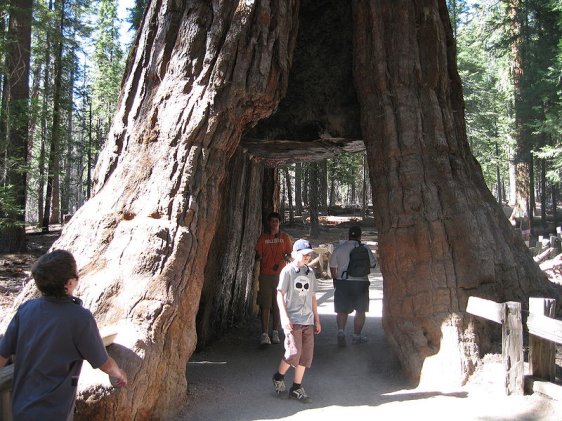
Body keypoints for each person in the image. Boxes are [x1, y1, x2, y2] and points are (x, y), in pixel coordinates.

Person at [0, 250, 128, 420]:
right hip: (54, 412)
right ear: (69, 283)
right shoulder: (80, 317)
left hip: (21, 410)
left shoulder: (26, 309)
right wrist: (119, 374)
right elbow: (104, 363)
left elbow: (2, 356)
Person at [272, 239, 321, 403]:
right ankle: (278, 377)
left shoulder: (310, 273)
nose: (307, 256)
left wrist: (317, 319)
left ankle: (296, 387)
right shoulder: (287, 272)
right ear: (295, 254)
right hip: (293, 318)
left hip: (308, 319)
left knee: (306, 356)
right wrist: (284, 316)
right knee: (293, 352)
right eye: (304, 254)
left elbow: (313, 296)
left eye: (309, 254)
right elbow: (280, 294)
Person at [329, 226, 377, 347]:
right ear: (360, 236)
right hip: (361, 283)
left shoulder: (340, 248)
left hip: (343, 282)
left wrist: (335, 279)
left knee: (342, 310)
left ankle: (341, 332)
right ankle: (356, 336)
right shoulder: (365, 248)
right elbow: (373, 264)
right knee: (360, 311)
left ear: (348, 235)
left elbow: (332, 265)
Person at [255, 212, 292, 346]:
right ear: (269, 223)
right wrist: (258, 258)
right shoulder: (263, 238)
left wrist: (289, 260)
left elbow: (289, 254)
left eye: (276, 221)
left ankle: (275, 331)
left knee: (277, 305)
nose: (274, 223)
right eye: (272, 221)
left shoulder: (285, 237)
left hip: (281, 276)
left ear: (279, 223)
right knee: (265, 305)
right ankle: (264, 334)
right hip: (265, 275)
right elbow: (258, 254)